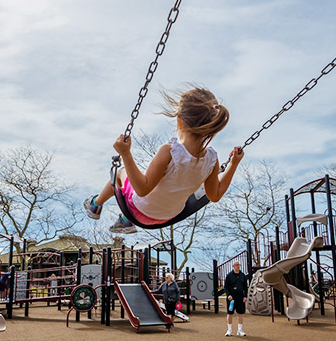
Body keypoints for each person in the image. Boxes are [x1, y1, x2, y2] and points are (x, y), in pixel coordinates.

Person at [83, 87, 243, 233]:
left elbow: (143, 189)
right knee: (166, 186)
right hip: (168, 216)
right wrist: (233, 164)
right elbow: (214, 195)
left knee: (121, 173)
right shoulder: (211, 160)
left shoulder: (171, 151)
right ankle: (124, 221)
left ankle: (95, 205)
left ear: (179, 120)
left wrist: (126, 154)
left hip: (139, 209)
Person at [224, 261, 248, 337]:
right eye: (236, 265)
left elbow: (245, 287)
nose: (238, 266)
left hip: (240, 297)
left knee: (241, 313)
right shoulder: (229, 276)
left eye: (239, 265)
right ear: (233, 266)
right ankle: (229, 330)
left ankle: (240, 330)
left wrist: (245, 296)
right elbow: (226, 287)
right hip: (231, 298)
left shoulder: (242, 275)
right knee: (230, 313)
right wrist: (228, 295)